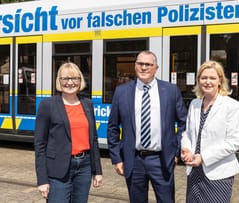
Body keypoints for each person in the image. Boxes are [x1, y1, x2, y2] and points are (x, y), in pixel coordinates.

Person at [107, 50, 187, 203]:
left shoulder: (170, 90)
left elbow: (184, 122)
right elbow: (112, 127)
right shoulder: (121, 91)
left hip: (162, 160)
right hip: (134, 160)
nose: (144, 67)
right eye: (140, 64)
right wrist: (117, 158)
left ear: (155, 68)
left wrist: (176, 152)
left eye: (148, 64)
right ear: (135, 66)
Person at [34, 62, 103, 202]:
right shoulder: (48, 105)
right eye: (65, 79)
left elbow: (93, 139)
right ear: (59, 81)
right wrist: (42, 179)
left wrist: (98, 171)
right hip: (58, 169)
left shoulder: (87, 104)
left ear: (80, 81)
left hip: (84, 167)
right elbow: (40, 144)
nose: (70, 83)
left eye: (74, 78)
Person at [181, 61, 239, 203]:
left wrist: (203, 157)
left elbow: (233, 143)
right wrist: (186, 149)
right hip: (194, 173)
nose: (207, 82)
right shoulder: (194, 104)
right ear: (198, 81)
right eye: (203, 78)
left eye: (212, 78)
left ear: (220, 81)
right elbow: (187, 133)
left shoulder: (231, 106)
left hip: (218, 174)